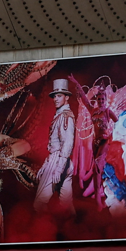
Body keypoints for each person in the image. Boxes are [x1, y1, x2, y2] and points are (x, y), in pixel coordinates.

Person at [35, 78, 78, 215]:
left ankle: (43, 231)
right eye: (54, 96)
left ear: (66, 98)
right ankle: (74, 229)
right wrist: (44, 165)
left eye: (59, 96)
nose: (55, 99)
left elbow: (67, 143)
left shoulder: (65, 117)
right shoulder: (61, 115)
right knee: (66, 203)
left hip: (58, 160)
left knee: (39, 203)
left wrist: (58, 168)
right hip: (61, 161)